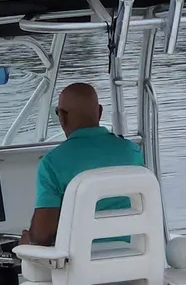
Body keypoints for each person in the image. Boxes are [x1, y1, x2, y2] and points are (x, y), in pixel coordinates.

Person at [22, 82, 144, 246]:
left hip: (80, 267)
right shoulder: (133, 153)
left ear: (62, 117)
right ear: (99, 112)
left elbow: (42, 237)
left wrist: (28, 241)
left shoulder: (52, 163)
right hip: (134, 257)